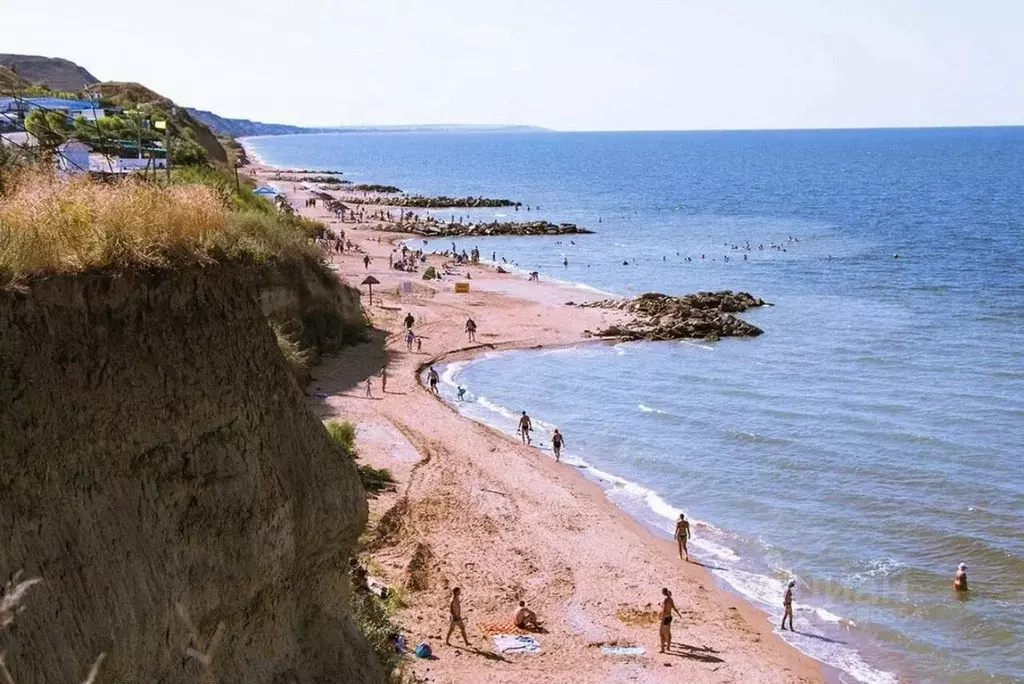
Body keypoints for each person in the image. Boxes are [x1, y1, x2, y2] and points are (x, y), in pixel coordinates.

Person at [659, 588, 682, 653]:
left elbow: (664, 610)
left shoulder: (665, 600)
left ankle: (662, 649)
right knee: (668, 633)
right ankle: (668, 647)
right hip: (670, 617)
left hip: (665, 618)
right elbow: (674, 607)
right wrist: (678, 614)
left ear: (663, 592)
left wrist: (661, 618)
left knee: (661, 633)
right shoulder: (671, 599)